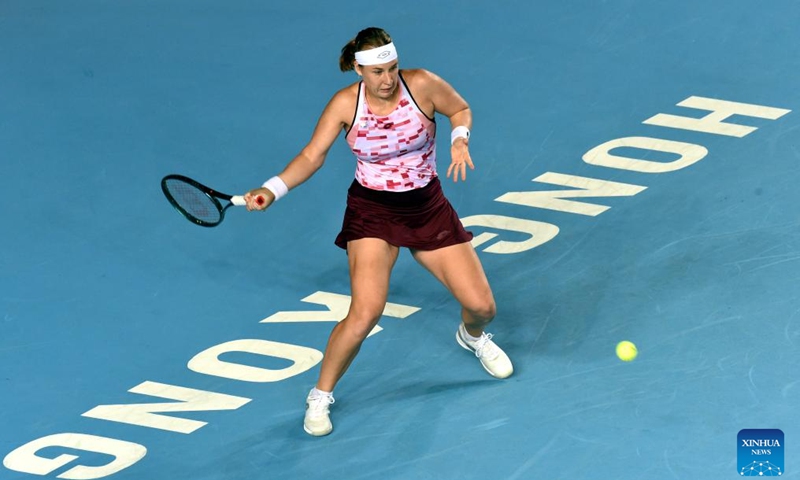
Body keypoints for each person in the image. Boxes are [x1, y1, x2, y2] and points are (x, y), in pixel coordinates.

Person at [243, 27, 513, 437]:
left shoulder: (421, 84)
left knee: (483, 307)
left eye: (392, 69)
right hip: (373, 213)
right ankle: (320, 395)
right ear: (358, 69)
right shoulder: (344, 104)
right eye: (377, 72)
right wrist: (272, 189)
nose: (387, 80)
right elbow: (312, 155)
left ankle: (471, 336)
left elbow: (459, 109)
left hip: (426, 208)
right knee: (365, 312)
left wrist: (460, 140)